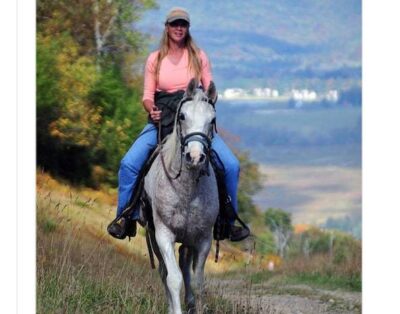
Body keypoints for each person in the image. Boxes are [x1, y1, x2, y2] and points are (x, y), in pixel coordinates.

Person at [108, 7, 249, 242]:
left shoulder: (198, 56)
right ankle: (126, 217)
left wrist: (206, 105)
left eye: (183, 24)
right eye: (174, 24)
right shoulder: (155, 58)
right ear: (167, 27)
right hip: (162, 120)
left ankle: (227, 222)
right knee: (129, 164)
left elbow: (210, 87)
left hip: (193, 121)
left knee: (231, 166)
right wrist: (149, 108)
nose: (178, 28)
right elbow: (146, 94)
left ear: (188, 28)